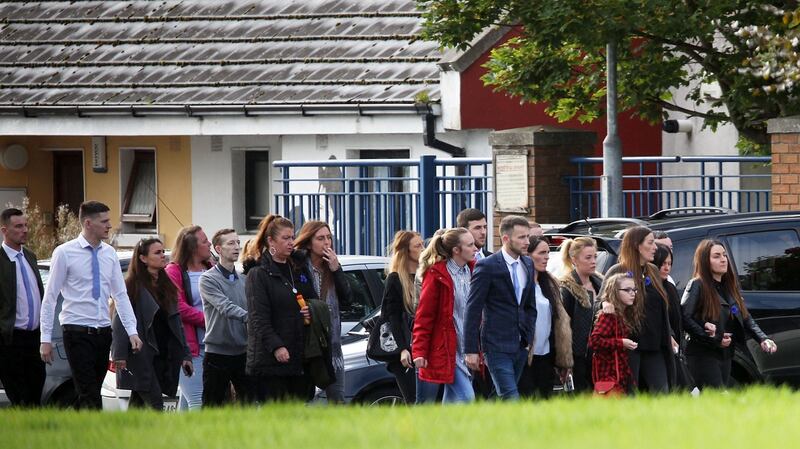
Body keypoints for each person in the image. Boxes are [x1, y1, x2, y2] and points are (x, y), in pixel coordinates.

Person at [40, 201, 142, 409]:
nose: (109, 225)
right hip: (76, 331)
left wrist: (132, 331)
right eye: (104, 221)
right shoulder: (64, 253)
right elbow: (50, 298)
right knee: (89, 393)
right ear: (88, 223)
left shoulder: (109, 254)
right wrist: (45, 339)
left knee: (91, 389)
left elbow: (120, 295)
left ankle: (73, 432)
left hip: (103, 333)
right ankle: (95, 439)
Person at [680, 240, 777, 389]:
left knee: (717, 399)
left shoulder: (729, 286)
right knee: (717, 396)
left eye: (724, 255)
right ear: (705, 260)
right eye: (716, 256)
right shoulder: (697, 284)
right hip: (703, 353)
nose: (723, 259)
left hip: (725, 353)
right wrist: (712, 338)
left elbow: (745, 317)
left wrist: (762, 338)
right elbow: (685, 317)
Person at [111, 238, 193, 410]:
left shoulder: (167, 285)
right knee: (155, 404)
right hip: (140, 354)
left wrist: (185, 355)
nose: (163, 256)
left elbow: (177, 324)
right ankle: (160, 436)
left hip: (162, 355)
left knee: (138, 403)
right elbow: (119, 320)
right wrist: (119, 355)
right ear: (143, 258)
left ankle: (126, 436)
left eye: (163, 252)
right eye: (157, 253)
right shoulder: (132, 286)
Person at [464, 215, 537, 401]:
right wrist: (470, 349)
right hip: (495, 345)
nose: (527, 242)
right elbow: (472, 309)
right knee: (510, 396)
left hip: (520, 345)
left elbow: (529, 306)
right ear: (506, 239)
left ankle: (479, 427)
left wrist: (528, 336)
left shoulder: (528, 264)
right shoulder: (487, 266)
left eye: (528, 236)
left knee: (498, 396)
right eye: (521, 237)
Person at [246, 215, 316, 402]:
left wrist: (310, 310)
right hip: (271, 360)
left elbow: (312, 299)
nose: (291, 242)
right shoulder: (258, 273)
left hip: (299, 354)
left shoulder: (297, 268)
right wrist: (277, 346)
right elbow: (258, 317)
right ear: (271, 241)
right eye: (285, 238)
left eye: (292, 237)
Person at [603, 226, 674, 393]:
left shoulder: (653, 271)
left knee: (662, 391)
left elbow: (661, 309)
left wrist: (669, 334)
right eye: (650, 243)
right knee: (630, 393)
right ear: (636, 245)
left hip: (654, 344)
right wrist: (606, 304)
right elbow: (602, 299)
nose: (656, 247)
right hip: (629, 345)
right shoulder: (618, 270)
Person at [412, 228, 477, 403]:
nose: (475, 248)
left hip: (467, 347)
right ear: (456, 250)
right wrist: (419, 351)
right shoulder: (436, 275)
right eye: (470, 245)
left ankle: (440, 430)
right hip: (447, 349)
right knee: (467, 398)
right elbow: (424, 317)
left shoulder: (473, 271)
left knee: (452, 403)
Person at [294, 220, 352, 404]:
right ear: (309, 242)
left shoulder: (333, 268)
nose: (327, 243)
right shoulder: (298, 266)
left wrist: (336, 269)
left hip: (332, 345)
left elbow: (348, 299)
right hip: (308, 342)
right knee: (305, 399)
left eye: (329, 238)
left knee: (337, 399)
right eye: (320, 238)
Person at [0, 208, 46, 407]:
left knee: (36, 395)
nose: (25, 230)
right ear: (4, 230)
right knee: (20, 398)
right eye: (18, 226)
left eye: (26, 225)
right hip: (10, 340)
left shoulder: (30, 257)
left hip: (34, 339)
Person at [518, 236, 573, 399]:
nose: (547, 257)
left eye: (548, 252)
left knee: (545, 400)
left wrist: (563, 358)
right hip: (526, 353)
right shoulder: (520, 282)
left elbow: (558, 322)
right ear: (528, 255)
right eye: (541, 253)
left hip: (547, 354)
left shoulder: (550, 283)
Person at [165, 225, 214, 410]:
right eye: (204, 241)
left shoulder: (211, 268)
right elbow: (177, 306)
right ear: (193, 248)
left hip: (212, 345)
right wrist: (209, 320)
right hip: (190, 348)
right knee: (198, 402)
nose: (209, 243)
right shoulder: (173, 271)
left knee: (188, 403)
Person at [199, 229, 250, 406]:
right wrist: (251, 318)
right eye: (231, 243)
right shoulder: (208, 279)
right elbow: (225, 307)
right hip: (217, 354)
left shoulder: (244, 280)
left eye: (237, 242)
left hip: (243, 352)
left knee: (249, 407)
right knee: (213, 409)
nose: (236, 247)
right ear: (218, 249)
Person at [381, 230, 424, 404]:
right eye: (418, 245)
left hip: (422, 345)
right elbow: (392, 317)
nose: (423, 248)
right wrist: (402, 349)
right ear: (407, 251)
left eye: (422, 244)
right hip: (405, 350)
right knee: (413, 399)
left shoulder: (425, 275)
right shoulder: (395, 279)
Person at [558, 236, 603, 392]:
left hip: (602, 354)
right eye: (588, 257)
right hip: (579, 356)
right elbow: (562, 328)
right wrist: (565, 362)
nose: (593, 261)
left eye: (595, 257)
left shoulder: (600, 284)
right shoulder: (566, 287)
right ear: (574, 260)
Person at [589, 273, 638, 395]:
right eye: (627, 290)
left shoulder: (624, 314)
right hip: (609, 376)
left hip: (621, 376)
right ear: (615, 292)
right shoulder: (609, 316)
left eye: (634, 289)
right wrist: (621, 342)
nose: (632, 293)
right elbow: (594, 341)